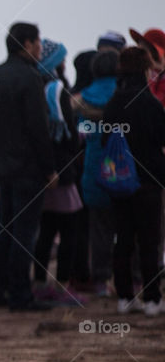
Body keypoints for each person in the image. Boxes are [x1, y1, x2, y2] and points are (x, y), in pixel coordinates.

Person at [0, 22, 57, 312]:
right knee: (24, 232)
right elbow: (39, 129)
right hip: (27, 169)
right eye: (37, 42)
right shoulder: (30, 78)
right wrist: (49, 169)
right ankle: (21, 296)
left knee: (5, 229)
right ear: (26, 43)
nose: (40, 48)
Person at [101, 47, 165, 316]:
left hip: (119, 181)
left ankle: (125, 297)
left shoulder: (114, 103)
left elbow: (105, 140)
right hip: (149, 180)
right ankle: (152, 299)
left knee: (123, 240)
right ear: (143, 69)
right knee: (149, 242)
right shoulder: (151, 103)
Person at [30, 40, 86, 305]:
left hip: (40, 172)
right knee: (69, 230)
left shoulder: (32, 89)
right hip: (62, 173)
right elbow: (70, 137)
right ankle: (63, 285)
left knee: (45, 231)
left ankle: (39, 283)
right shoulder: (58, 92)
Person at [74, 50, 119, 297]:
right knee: (127, 228)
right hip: (125, 168)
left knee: (99, 230)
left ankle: (101, 280)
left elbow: (80, 133)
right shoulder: (125, 97)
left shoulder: (82, 100)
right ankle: (130, 281)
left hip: (93, 168)